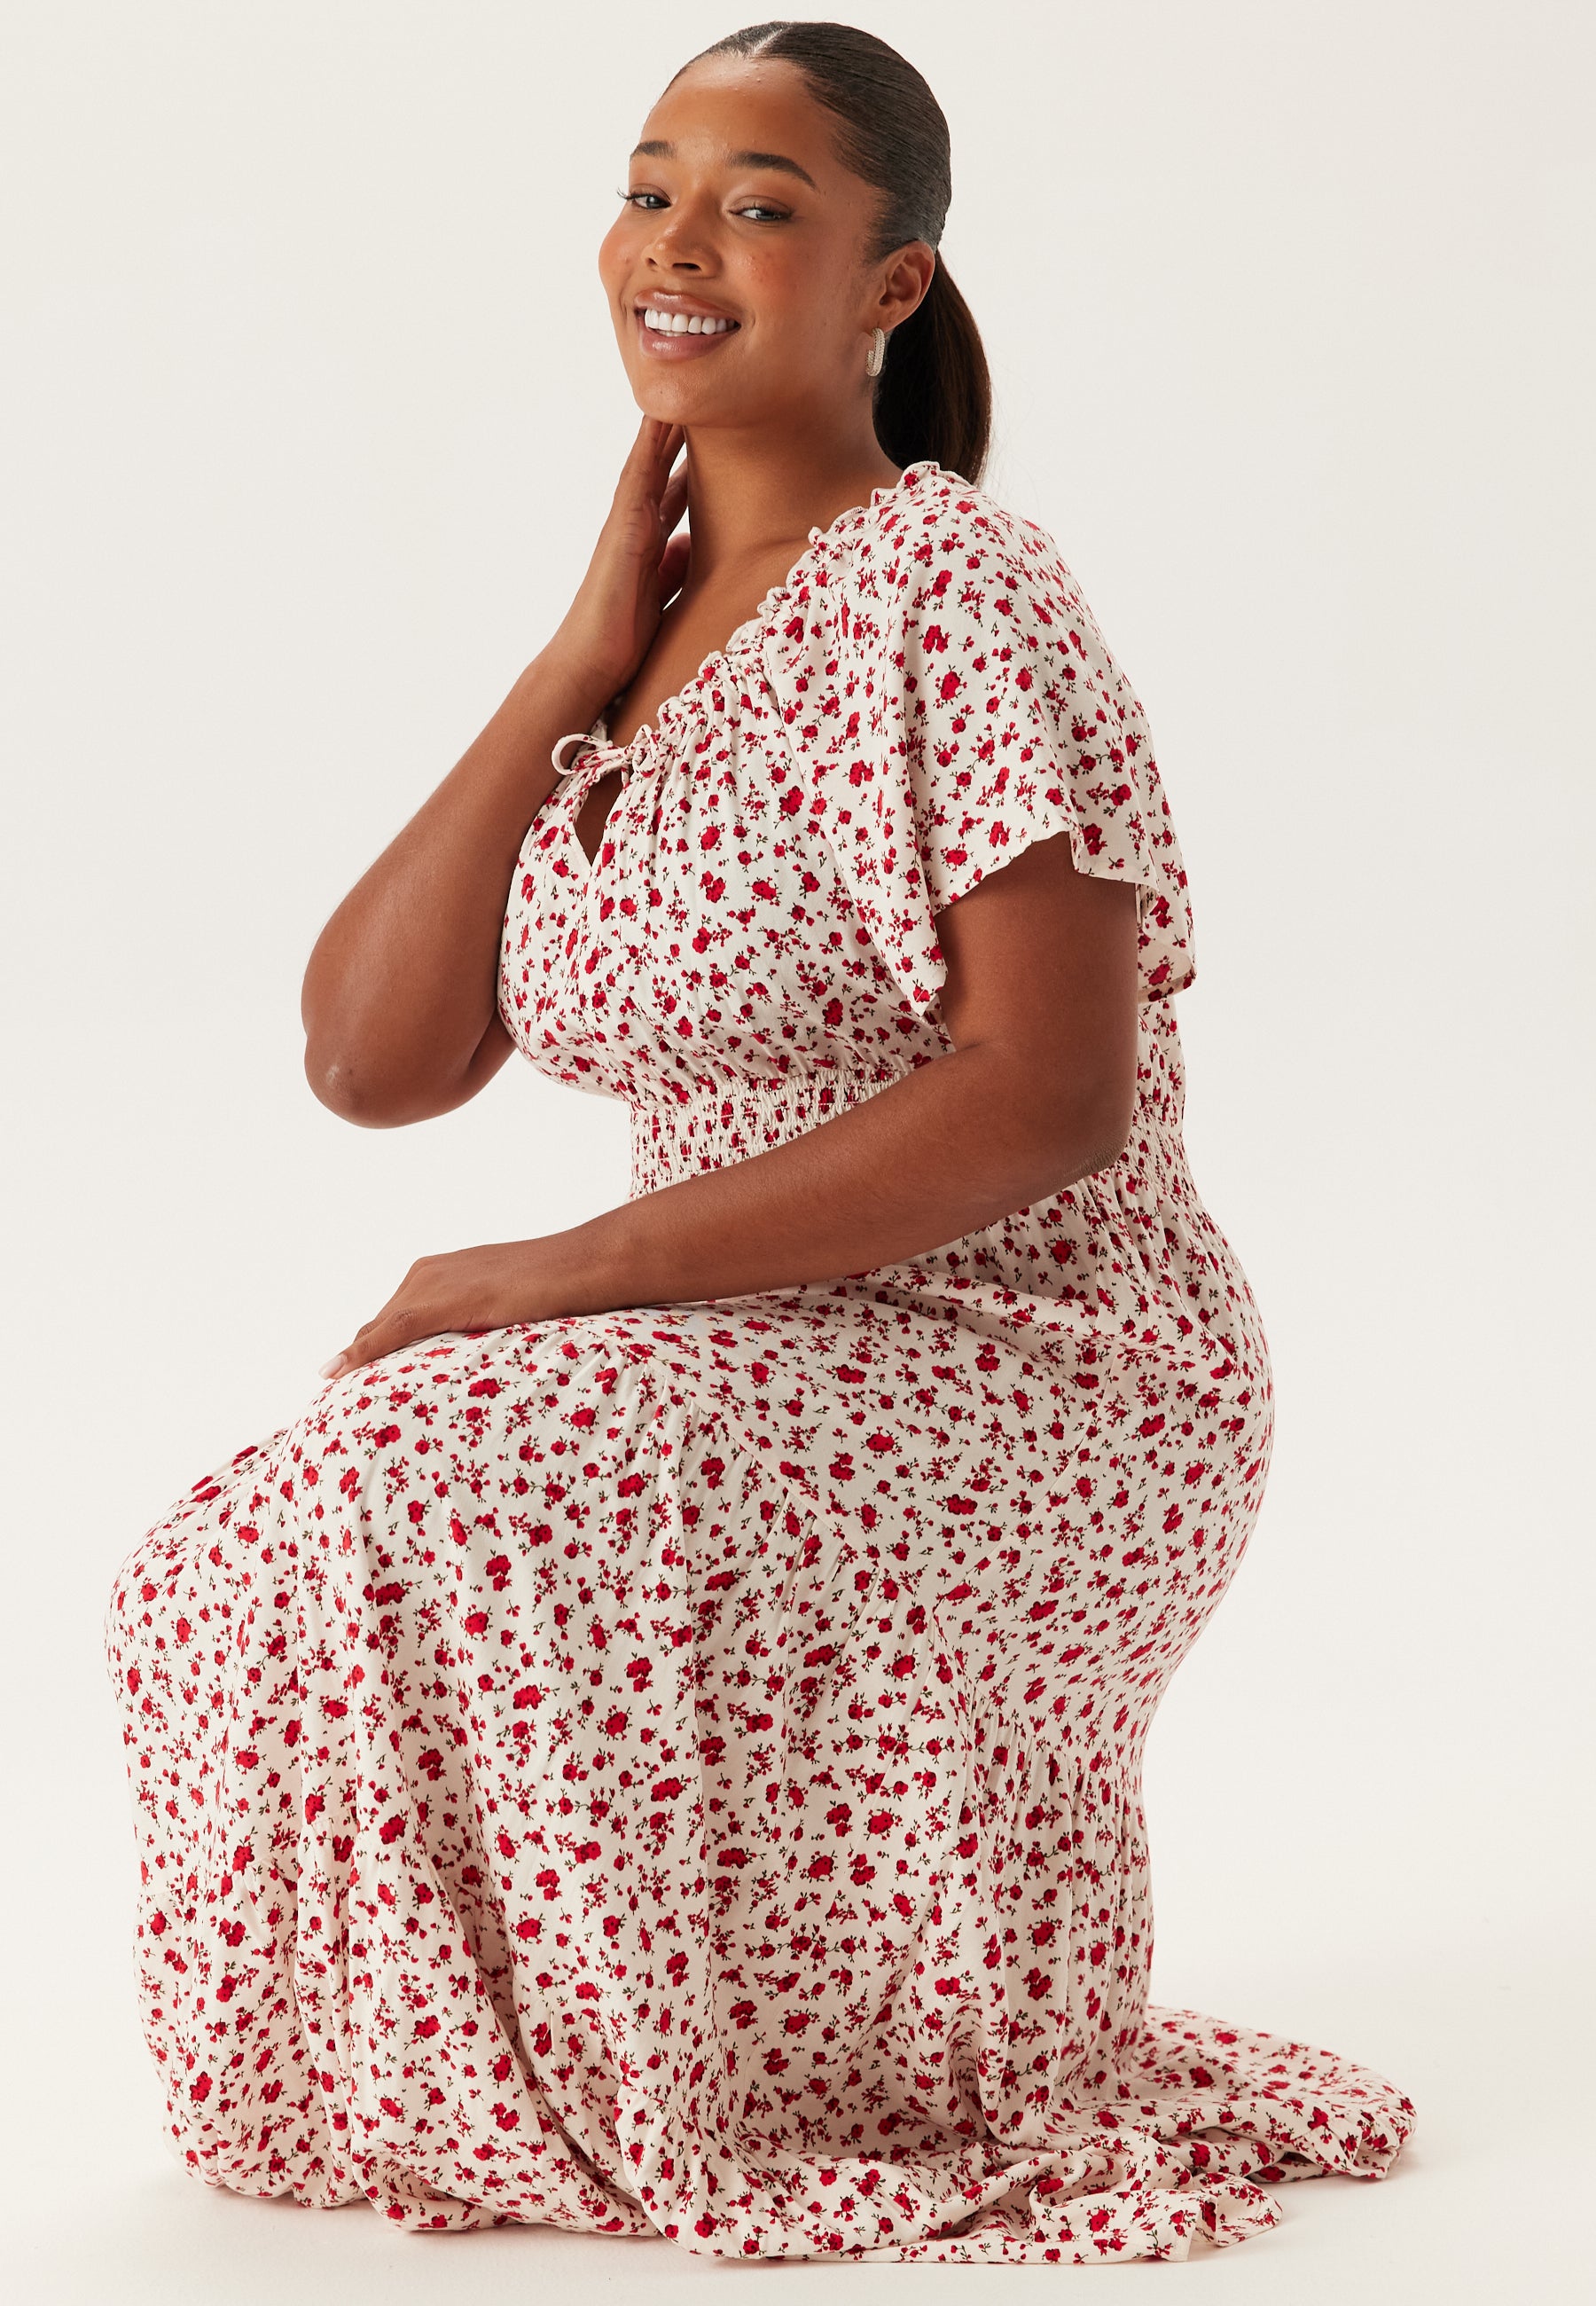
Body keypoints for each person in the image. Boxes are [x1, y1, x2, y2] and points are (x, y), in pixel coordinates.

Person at [104, 19, 1415, 2264]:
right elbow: (369, 1059)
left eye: (759, 203)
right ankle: (541, 2073)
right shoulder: (643, 645)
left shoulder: (958, 587)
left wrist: (547, 1275)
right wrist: (568, 663)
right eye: (648, 188)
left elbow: (1049, 1094)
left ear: (894, 283)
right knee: (224, 1550)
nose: (677, 242)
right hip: (748, 1349)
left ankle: (700, 2077)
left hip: (1039, 1357)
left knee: (423, 1458)